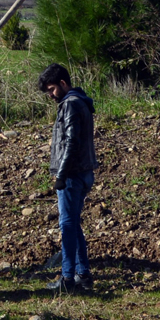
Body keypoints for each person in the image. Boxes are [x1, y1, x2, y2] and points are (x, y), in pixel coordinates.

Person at [41, 64, 97, 293]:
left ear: (63, 83)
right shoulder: (79, 101)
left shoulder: (70, 104)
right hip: (83, 172)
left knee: (67, 225)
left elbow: (71, 142)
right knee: (73, 224)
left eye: (52, 89)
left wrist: (61, 175)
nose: (50, 95)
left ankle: (67, 279)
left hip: (73, 174)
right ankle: (82, 275)